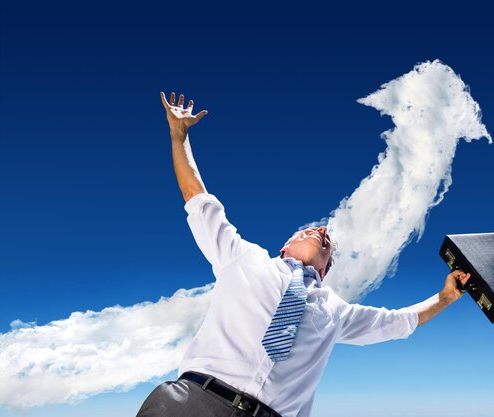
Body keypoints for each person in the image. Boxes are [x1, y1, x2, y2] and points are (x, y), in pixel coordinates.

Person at [136, 92, 471, 417]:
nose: (322, 231)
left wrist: (445, 297)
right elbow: (197, 196)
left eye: (329, 241)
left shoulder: (336, 310)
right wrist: (178, 136)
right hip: (195, 401)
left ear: (326, 269)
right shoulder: (243, 257)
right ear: (284, 247)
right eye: (308, 230)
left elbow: (398, 322)